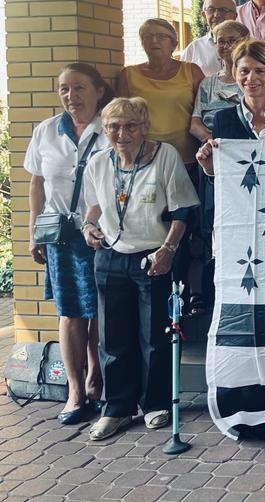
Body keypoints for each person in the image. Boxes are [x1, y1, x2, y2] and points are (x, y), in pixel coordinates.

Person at [81, 97, 199, 441]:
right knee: (113, 337)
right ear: (105, 131)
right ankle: (116, 408)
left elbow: (182, 211)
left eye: (131, 125)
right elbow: (92, 207)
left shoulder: (164, 156)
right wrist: (89, 228)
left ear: (144, 127)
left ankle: (155, 403)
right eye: (114, 127)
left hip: (154, 254)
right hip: (110, 256)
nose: (122, 133)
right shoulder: (99, 162)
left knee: (155, 335)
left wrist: (169, 250)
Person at [26, 64, 112, 425]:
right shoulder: (46, 131)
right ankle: (76, 391)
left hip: (104, 231)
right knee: (70, 310)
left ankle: (99, 377)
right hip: (61, 234)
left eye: (79, 88)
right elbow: (36, 184)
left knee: (102, 310)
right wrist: (34, 231)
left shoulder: (111, 128)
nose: (70, 96)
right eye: (63, 89)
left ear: (98, 91)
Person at [116, 19, 203, 165]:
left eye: (161, 37)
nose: (154, 40)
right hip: (143, 155)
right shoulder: (128, 74)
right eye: (148, 36)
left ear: (173, 44)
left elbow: (204, 110)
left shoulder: (191, 71)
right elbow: (119, 116)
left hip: (187, 156)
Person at [189, 21, 248, 143]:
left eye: (232, 40)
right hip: (212, 148)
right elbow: (195, 124)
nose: (226, 46)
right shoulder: (207, 83)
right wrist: (213, 142)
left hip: (245, 145)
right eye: (221, 41)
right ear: (215, 45)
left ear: (245, 41)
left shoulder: (254, 80)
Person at [180, 0, 238, 77]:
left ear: (235, 16)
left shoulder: (249, 45)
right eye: (211, 10)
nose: (216, 15)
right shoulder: (193, 49)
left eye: (223, 10)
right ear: (204, 15)